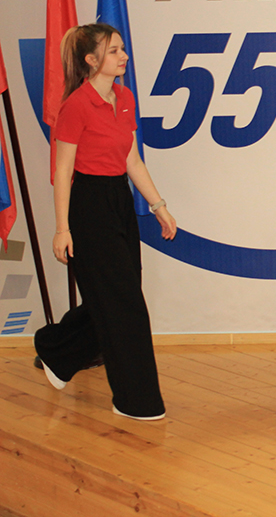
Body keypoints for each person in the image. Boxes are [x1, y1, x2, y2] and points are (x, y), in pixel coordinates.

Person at [34, 23, 177, 421]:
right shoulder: (76, 106)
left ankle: (57, 350)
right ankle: (136, 401)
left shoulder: (124, 97)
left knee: (116, 296)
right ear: (91, 60)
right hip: (89, 205)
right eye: (114, 51)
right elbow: (63, 170)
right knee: (124, 304)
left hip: (119, 199)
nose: (123, 56)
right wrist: (62, 229)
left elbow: (132, 159)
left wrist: (159, 206)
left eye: (122, 49)